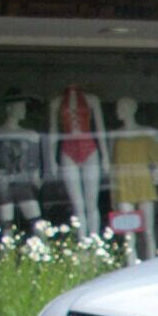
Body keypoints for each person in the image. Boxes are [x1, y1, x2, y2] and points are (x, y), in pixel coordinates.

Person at [110, 97, 158, 259]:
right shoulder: (115, 134)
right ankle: (131, 265)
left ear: (130, 110)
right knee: (128, 230)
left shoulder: (146, 132)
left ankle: (152, 263)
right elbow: (111, 165)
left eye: (120, 108)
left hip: (143, 180)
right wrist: (112, 191)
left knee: (148, 229)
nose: (117, 112)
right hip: (124, 183)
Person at [49, 85, 109, 235]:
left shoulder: (92, 99)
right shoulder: (56, 102)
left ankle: (94, 240)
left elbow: (100, 129)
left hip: (89, 148)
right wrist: (51, 158)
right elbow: (53, 131)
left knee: (91, 202)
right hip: (68, 150)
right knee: (77, 204)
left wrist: (105, 156)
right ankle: (82, 240)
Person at [0, 94, 42, 230]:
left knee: (36, 221)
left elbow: (34, 161)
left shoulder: (30, 134)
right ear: (9, 108)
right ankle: (7, 249)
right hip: (2, 180)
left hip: (22, 180)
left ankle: (42, 248)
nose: (23, 110)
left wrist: (36, 176)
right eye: (20, 107)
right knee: (6, 222)